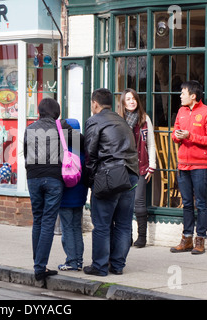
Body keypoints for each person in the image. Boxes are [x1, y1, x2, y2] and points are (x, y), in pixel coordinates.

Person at [24, 98, 82, 281]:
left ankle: (38, 263)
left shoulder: (29, 128)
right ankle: (40, 267)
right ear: (56, 112)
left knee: (38, 220)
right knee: (48, 221)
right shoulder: (61, 126)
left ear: (40, 112)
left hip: (33, 177)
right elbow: (80, 143)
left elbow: (26, 153)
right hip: (53, 178)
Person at [83, 88, 139, 276]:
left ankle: (99, 266)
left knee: (102, 224)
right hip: (130, 174)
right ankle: (117, 265)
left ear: (95, 104)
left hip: (109, 176)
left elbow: (90, 155)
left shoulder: (94, 121)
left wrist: (90, 182)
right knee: (123, 224)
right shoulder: (122, 121)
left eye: (92, 104)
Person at [170, 80, 207, 255]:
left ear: (193, 96)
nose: (180, 96)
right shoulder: (181, 112)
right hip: (183, 164)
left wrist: (191, 136)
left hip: (199, 165)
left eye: (183, 93)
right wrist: (178, 136)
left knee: (201, 204)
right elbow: (175, 133)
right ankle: (187, 239)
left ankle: (200, 239)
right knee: (187, 204)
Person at [118, 88, 156, 248]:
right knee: (124, 204)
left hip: (141, 165)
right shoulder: (118, 120)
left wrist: (152, 166)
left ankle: (142, 238)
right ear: (123, 102)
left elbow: (151, 143)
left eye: (133, 98)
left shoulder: (144, 119)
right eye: (128, 99)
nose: (132, 101)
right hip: (122, 167)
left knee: (139, 202)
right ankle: (127, 237)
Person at [57, 118, 88, 272]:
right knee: (76, 227)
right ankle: (79, 261)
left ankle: (71, 261)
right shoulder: (83, 148)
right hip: (80, 193)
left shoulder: (63, 149)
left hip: (66, 195)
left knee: (67, 228)